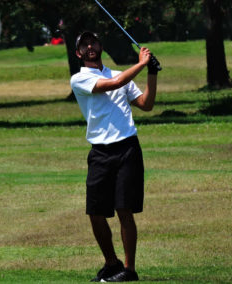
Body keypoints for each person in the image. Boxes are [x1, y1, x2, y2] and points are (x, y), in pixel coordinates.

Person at [70, 31, 159, 282]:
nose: (90, 46)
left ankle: (129, 270)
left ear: (100, 47)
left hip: (127, 148)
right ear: (78, 53)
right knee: (95, 213)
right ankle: (112, 263)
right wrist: (141, 64)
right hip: (100, 151)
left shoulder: (119, 74)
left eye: (93, 42)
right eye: (84, 44)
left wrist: (152, 72)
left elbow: (146, 103)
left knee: (124, 209)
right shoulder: (79, 79)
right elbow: (112, 85)